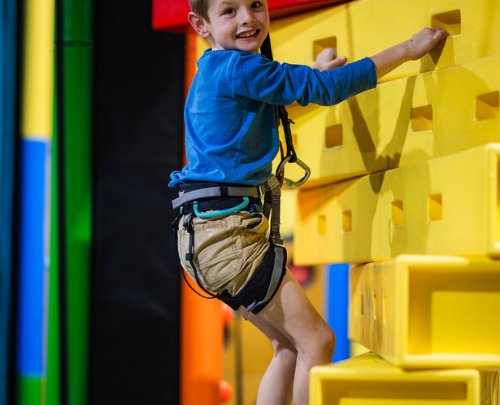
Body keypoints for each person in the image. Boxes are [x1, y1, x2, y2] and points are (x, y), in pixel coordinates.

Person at [170, 1, 448, 404]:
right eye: (229, 11)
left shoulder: (217, 71)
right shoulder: (238, 68)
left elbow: (290, 90)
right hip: (228, 239)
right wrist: (408, 48)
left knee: (289, 348)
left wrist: (315, 74)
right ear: (202, 25)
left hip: (207, 239)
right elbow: (323, 90)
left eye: (256, 5)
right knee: (318, 340)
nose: (248, 18)